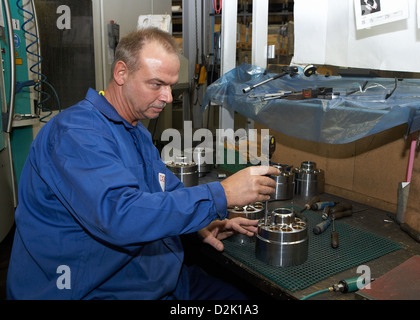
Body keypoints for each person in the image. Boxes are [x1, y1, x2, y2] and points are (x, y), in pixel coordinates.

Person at [7, 27, 279, 300]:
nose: (168, 97)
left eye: (171, 85)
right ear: (121, 73)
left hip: (157, 277)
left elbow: (166, 191)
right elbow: (120, 215)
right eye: (156, 84)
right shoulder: (75, 134)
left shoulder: (135, 131)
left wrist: (204, 220)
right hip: (99, 289)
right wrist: (222, 194)